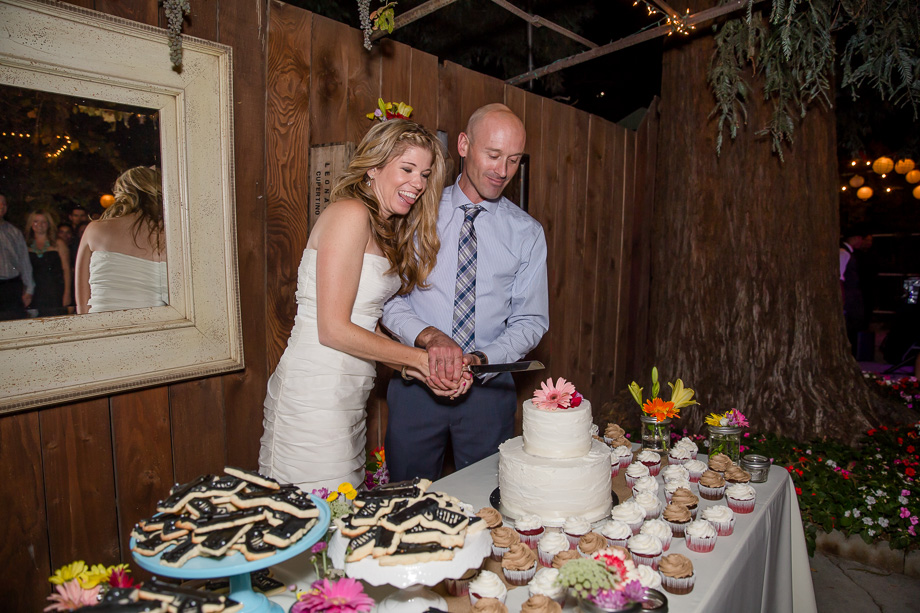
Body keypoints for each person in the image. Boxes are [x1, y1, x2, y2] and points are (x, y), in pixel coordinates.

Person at [258, 119, 471, 492]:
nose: (418, 184)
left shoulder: (383, 227)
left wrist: (421, 372)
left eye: (424, 174)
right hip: (314, 395)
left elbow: (364, 321)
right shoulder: (350, 214)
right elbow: (334, 328)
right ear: (373, 166)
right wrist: (419, 358)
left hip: (348, 396)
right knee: (312, 517)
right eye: (406, 169)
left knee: (340, 512)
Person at [381, 103, 549, 481]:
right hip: (415, 387)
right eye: (493, 155)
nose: (502, 171)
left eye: (513, 160)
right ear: (463, 145)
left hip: (489, 396)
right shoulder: (415, 211)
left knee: (486, 507)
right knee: (406, 501)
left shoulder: (527, 233)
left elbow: (530, 320)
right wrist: (432, 338)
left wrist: (481, 359)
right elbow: (389, 299)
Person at [75, 167, 167, 313]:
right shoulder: (171, 234)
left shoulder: (95, 230)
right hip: (157, 327)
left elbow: (82, 304)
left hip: (104, 327)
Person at [24, 208, 71, 317]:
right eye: (36, 221)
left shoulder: (59, 243)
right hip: (35, 293)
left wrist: (67, 293)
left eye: (43, 222)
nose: (39, 225)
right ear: (31, 224)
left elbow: (67, 270)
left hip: (55, 292)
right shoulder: (25, 245)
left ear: (49, 224)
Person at [0, 194, 34, 320]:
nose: (2, 206)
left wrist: (29, 289)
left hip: (11, 287)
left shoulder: (14, 232)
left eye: (4, 203)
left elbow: (24, 262)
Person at [840, 227, 871, 357]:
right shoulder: (843, 253)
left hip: (852, 295)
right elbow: (839, 277)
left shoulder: (850, 253)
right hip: (848, 295)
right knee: (849, 326)